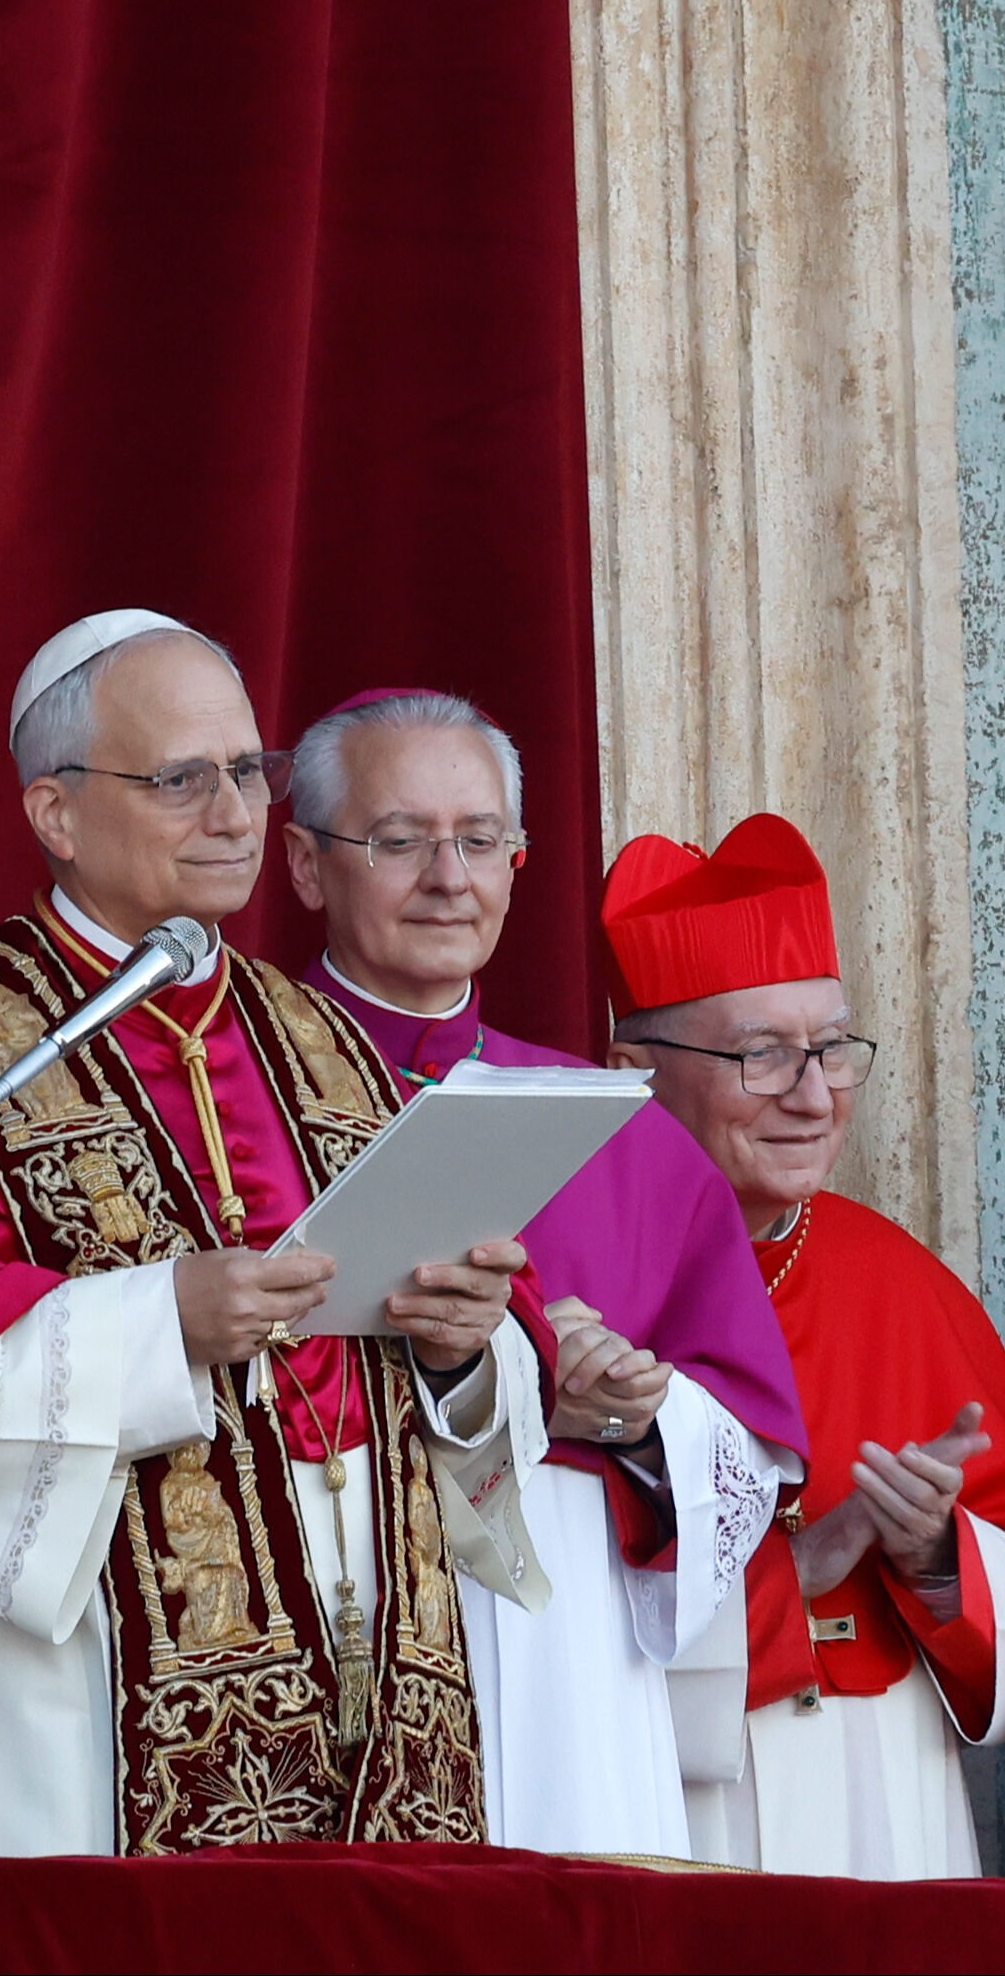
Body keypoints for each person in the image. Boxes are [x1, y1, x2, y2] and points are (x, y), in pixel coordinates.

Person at [0, 613, 549, 1856]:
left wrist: (466, 1348)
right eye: (181, 779)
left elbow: (449, 1379)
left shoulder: (326, 1036)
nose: (236, 812)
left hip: (371, 1675)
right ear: (56, 813)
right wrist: (162, 1327)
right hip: (93, 1698)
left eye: (249, 772)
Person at [282, 689, 807, 1859]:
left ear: (519, 865)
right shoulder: (231, 1096)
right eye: (400, 839)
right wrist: (507, 1376)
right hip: (334, 1601)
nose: (447, 877)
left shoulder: (623, 1129)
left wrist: (634, 1413)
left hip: (566, 1645)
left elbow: (750, 1439)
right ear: (309, 867)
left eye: (480, 841)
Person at [597, 814, 1005, 1877]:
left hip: (883, 1789)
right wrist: (793, 1573)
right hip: (661, 1789)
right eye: (760, 1055)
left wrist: (941, 1560)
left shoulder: (904, 1281)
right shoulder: (568, 1272)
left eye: (830, 1048)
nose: (813, 1095)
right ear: (632, 1067)